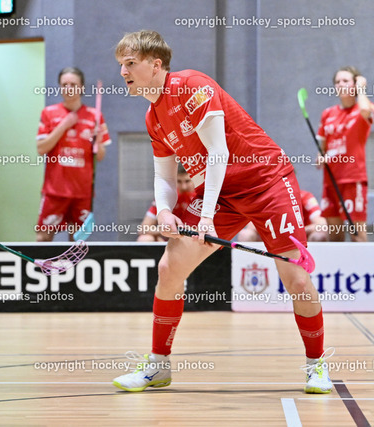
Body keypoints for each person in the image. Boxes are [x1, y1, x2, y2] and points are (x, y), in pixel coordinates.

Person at [112, 30, 332, 394]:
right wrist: (164, 211)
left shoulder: (193, 86)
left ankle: (316, 365)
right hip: (223, 195)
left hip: (266, 183)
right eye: (121, 64)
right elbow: (164, 175)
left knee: (296, 279)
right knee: (169, 268)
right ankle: (158, 366)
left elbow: (219, 153)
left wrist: (205, 219)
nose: (123, 72)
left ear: (155, 65)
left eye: (130, 63)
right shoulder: (153, 117)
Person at [35, 67, 111, 241]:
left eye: (73, 84)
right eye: (64, 85)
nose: (68, 88)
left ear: (82, 87)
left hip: (82, 192)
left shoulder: (95, 116)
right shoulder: (49, 113)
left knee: (78, 241)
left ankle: (73, 261)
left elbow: (100, 156)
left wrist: (97, 141)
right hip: (55, 190)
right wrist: (63, 126)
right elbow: (41, 148)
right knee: (42, 237)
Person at [317, 66, 372, 242]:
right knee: (334, 235)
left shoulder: (363, 107)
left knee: (358, 235)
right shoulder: (328, 113)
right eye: (337, 81)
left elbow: (366, 111)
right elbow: (323, 147)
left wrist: (361, 89)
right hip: (330, 181)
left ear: (355, 83)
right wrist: (320, 156)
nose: (340, 84)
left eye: (346, 81)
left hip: (352, 180)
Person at [238, 189, 328, 242]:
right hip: (273, 242)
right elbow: (252, 227)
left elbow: (322, 225)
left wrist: (295, 233)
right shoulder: (265, 198)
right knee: (245, 234)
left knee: (319, 236)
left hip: (299, 242)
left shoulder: (305, 197)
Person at [138, 164, 195, 242]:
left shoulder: (201, 196)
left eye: (187, 181)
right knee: (145, 239)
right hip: (167, 241)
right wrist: (169, 229)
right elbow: (143, 228)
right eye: (179, 181)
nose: (183, 187)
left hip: (193, 240)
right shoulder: (166, 196)